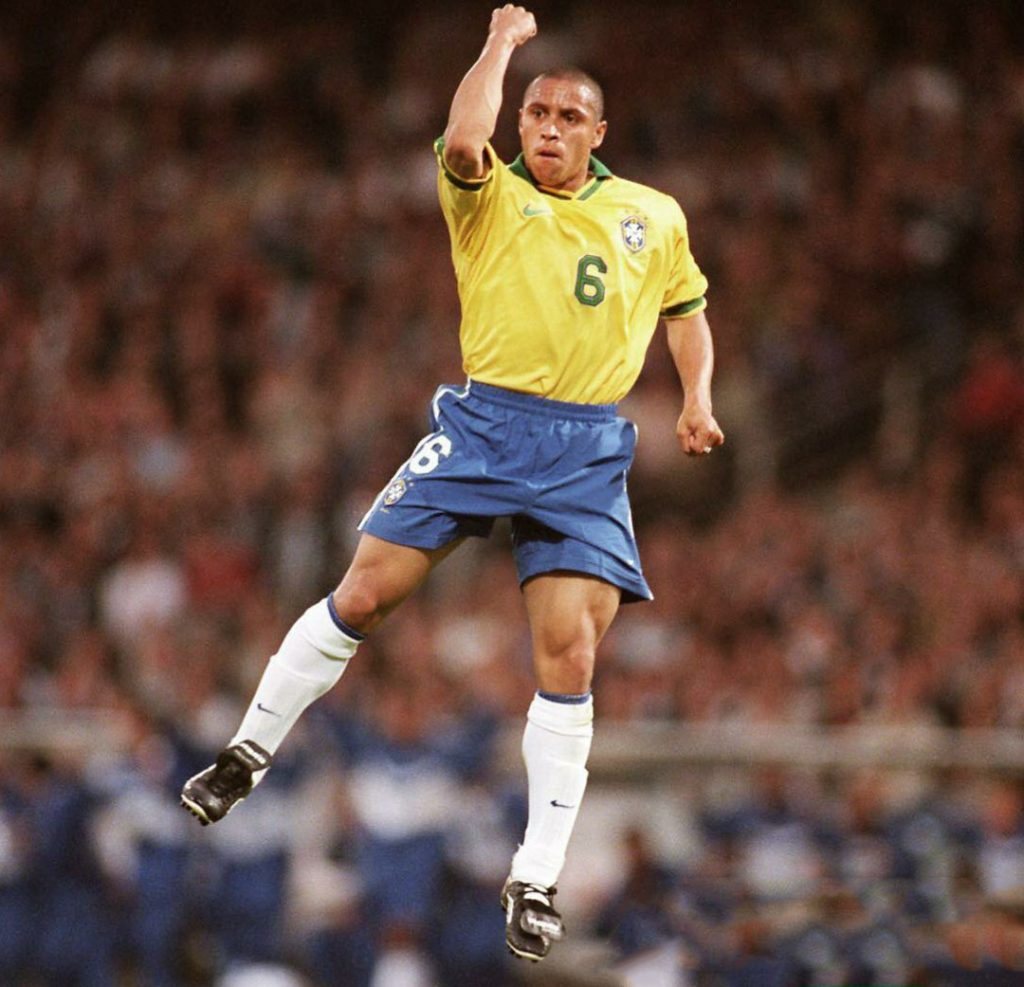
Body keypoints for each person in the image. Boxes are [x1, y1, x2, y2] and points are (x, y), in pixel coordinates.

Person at [181, 3, 724, 963]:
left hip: (586, 447)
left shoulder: (655, 214)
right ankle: (246, 752)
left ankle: (536, 876)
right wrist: (502, 44)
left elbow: (686, 308)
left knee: (570, 655)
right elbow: (468, 135)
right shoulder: (487, 194)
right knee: (362, 593)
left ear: (599, 133)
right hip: (483, 426)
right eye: (536, 114)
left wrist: (696, 396)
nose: (547, 129)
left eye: (567, 117)